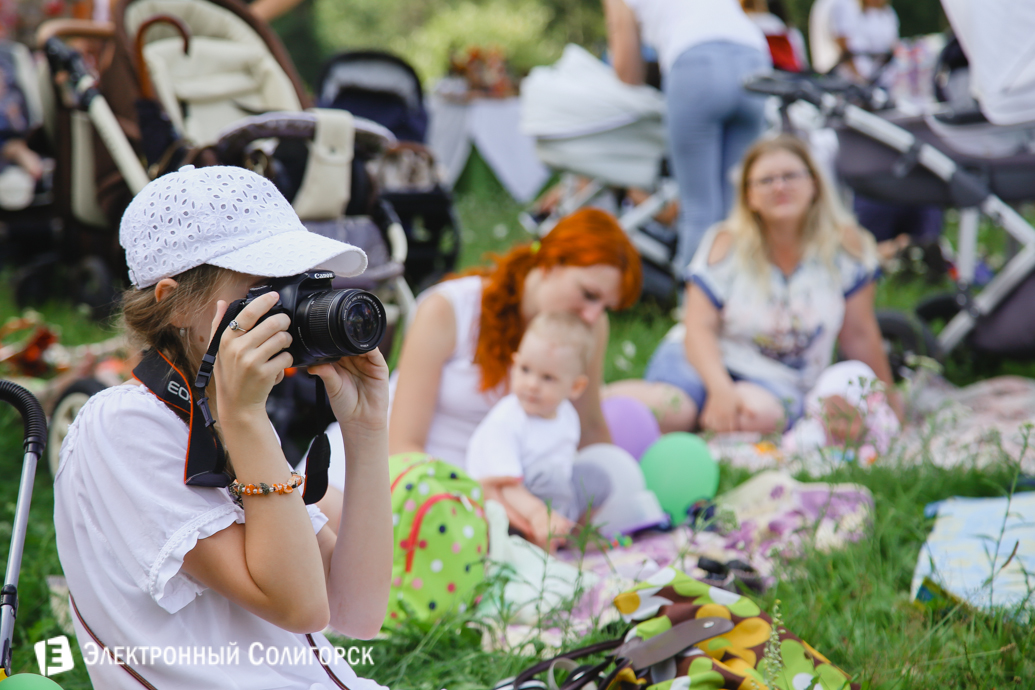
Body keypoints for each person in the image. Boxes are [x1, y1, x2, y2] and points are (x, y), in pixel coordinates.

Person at [53, 165, 393, 689]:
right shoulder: (123, 426)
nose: (291, 307)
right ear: (174, 303)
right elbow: (301, 608)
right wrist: (244, 420)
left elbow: (356, 612)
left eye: (297, 282)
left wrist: (366, 433)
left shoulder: (226, 417)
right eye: (264, 287)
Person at [608, 135, 904, 438]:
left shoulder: (845, 249)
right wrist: (720, 389)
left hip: (781, 380)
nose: (779, 186)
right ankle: (587, 404)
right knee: (672, 410)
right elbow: (698, 327)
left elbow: (860, 334)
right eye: (765, 180)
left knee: (759, 416)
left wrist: (890, 403)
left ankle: (700, 425)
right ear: (748, 195)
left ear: (814, 184)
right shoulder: (724, 243)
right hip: (704, 361)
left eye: (790, 176)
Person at [387, 208, 643, 469]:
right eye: (589, 294)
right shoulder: (448, 309)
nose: (592, 315)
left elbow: (589, 427)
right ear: (551, 263)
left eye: (606, 306)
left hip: (513, 489)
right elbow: (402, 447)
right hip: (422, 480)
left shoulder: (590, 326)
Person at [603, 0, 771, 270]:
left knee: (699, 209)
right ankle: (742, 297)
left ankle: (697, 305)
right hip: (754, 58)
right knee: (737, 207)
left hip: (695, 60)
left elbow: (627, 72)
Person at [466, 312, 611, 552]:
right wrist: (538, 515)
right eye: (525, 370)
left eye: (548, 378)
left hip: (552, 496)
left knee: (596, 478)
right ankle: (541, 548)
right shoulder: (506, 421)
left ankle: (573, 534)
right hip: (507, 508)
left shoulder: (566, 415)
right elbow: (505, 486)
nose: (532, 384)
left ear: (575, 387)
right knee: (550, 477)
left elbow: (564, 466)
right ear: (514, 365)